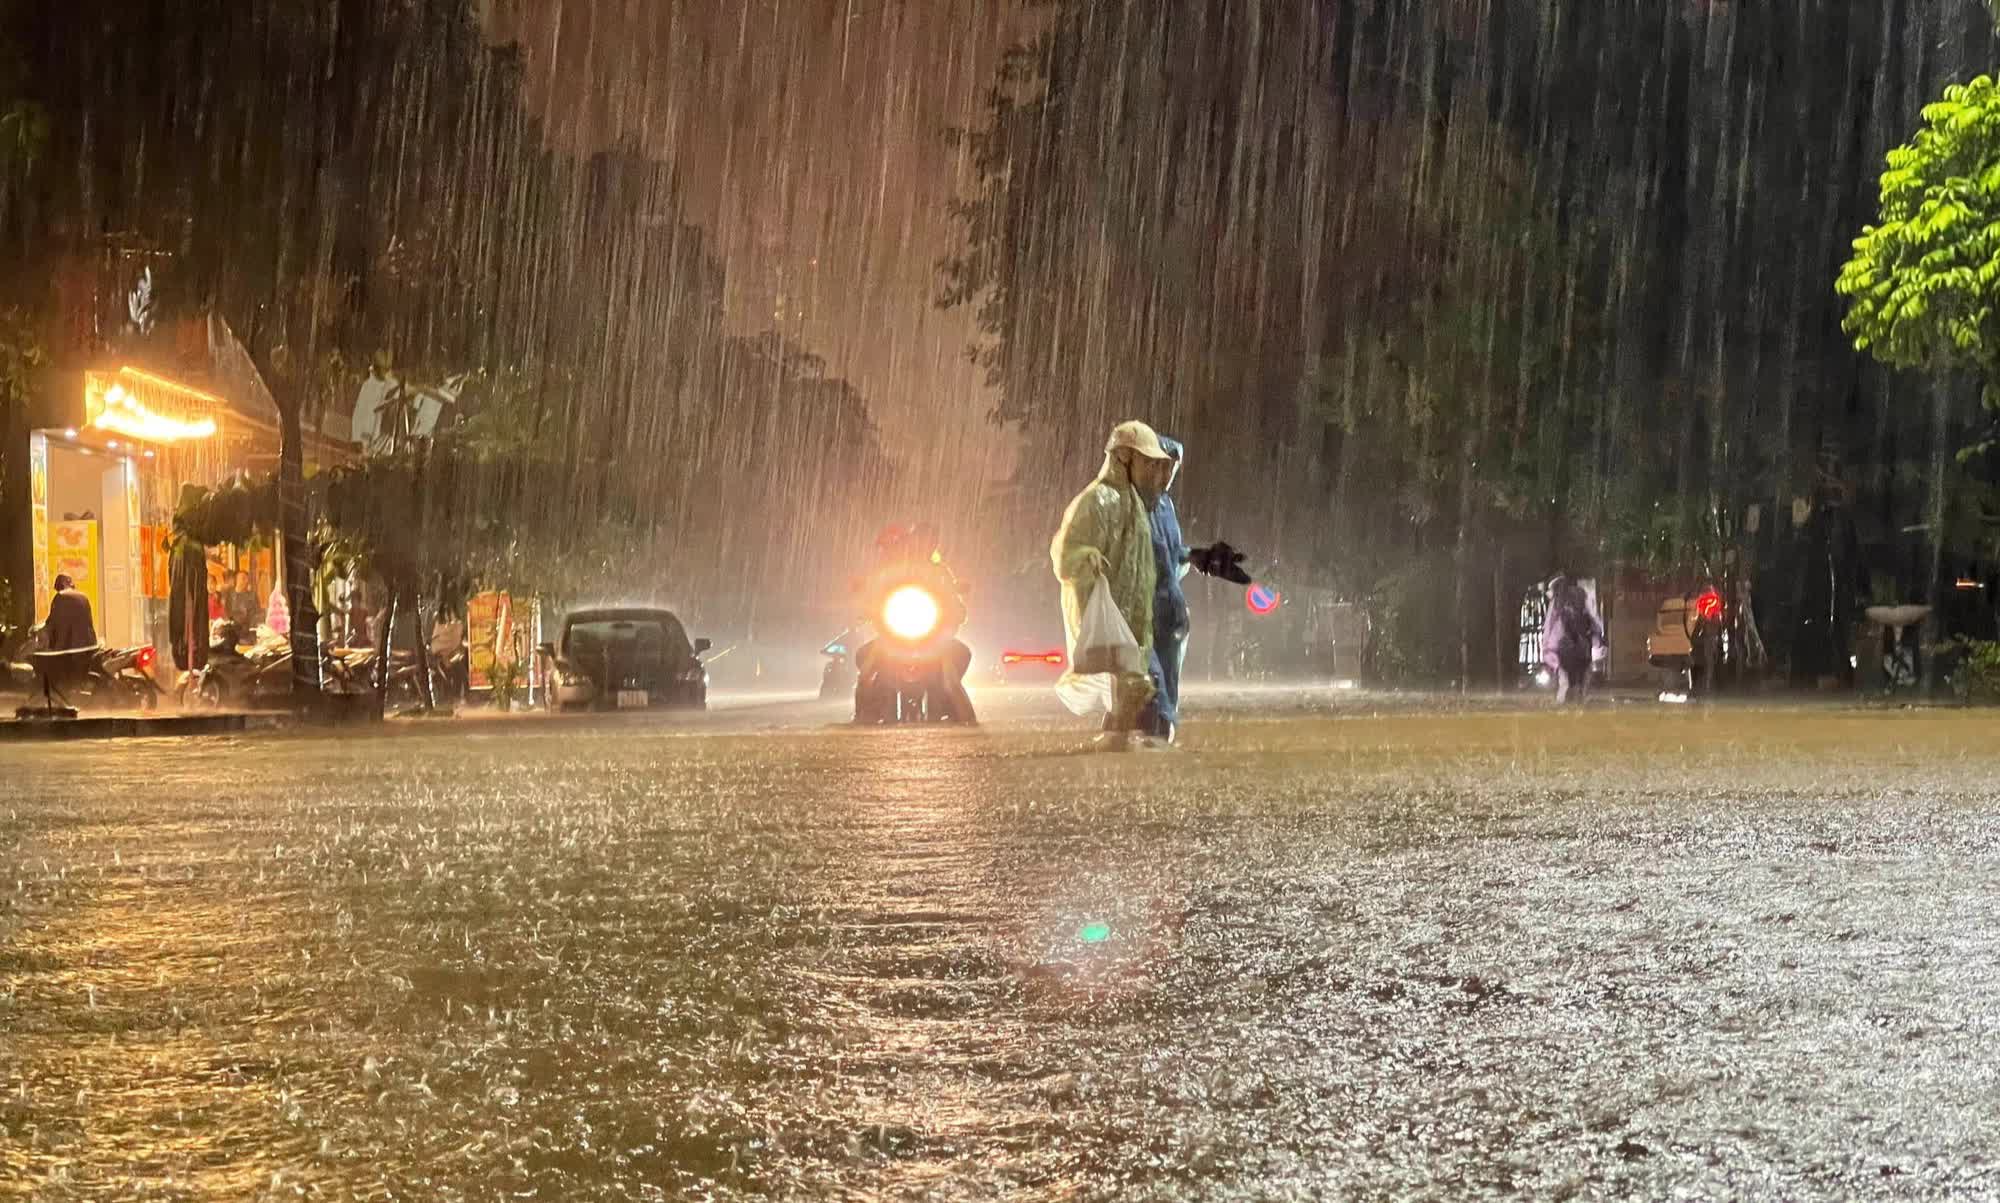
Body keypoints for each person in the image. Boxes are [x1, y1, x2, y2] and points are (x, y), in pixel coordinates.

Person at [1053, 420, 1173, 747]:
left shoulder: (1135, 503)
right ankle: (1124, 736)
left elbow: (1144, 562)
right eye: (1146, 462)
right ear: (1123, 457)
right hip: (1109, 609)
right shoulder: (1097, 500)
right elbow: (1066, 553)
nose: (1151, 470)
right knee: (1131, 679)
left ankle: (1122, 737)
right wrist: (1087, 556)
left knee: (1133, 680)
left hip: (1134, 611)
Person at [1138, 436, 1253, 744]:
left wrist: (1198, 557)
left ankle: (1157, 733)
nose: (1166, 476)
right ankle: (1145, 729)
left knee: (1164, 684)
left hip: (1170, 611)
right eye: (1161, 466)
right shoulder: (1132, 506)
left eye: (1173, 469)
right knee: (1147, 681)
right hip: (1140, 610)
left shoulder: (1164, 507)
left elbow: (1170, 553)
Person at [1542, 575, 1603, 704]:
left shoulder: (1557, 604)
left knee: (1565, 680)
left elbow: (1549, 625)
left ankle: (1564, 704)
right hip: (1580, 647)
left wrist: (1546, 646)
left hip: (1563, 648)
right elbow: (1593, 618)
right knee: (1580, 678)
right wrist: (1597, 635)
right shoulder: (1580, 599)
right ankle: (1578, 700)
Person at [43, 574, 98, 651]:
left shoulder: (60, 597)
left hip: (67, 649)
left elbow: (52, 622)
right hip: (88, 646)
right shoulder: (84, 597)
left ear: (60, 585)